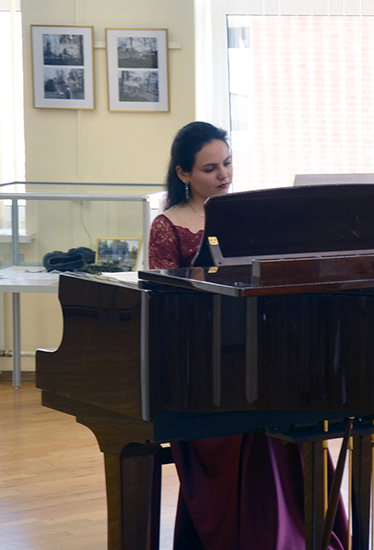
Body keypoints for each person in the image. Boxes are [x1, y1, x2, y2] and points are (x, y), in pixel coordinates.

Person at [149, 121, 348, 550]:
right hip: (202, 365)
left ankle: (302, 532)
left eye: (227, 163)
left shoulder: (242, 214)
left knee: (290, 410)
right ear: (183, 173)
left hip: (253, 350)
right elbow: (165, 304)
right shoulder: (168, 224)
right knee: (250, 421)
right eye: (210, 168)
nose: (223, 175)